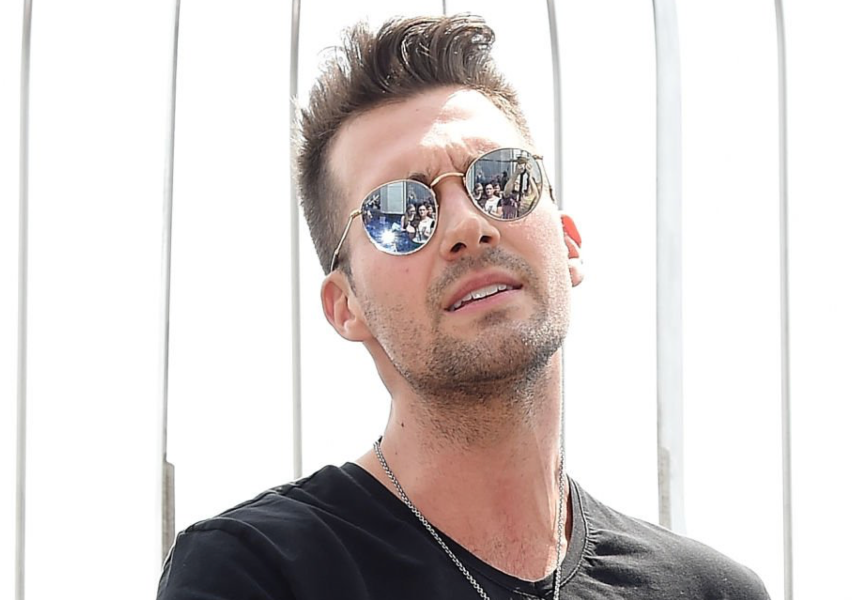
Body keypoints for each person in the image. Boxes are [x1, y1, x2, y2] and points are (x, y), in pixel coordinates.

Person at [156, 14, 770, 600]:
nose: (468, 226)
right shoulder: (257, 572)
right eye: (401, 211)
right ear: (345, 305)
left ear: (568, 242)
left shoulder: (711, 591)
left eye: (502, 181)